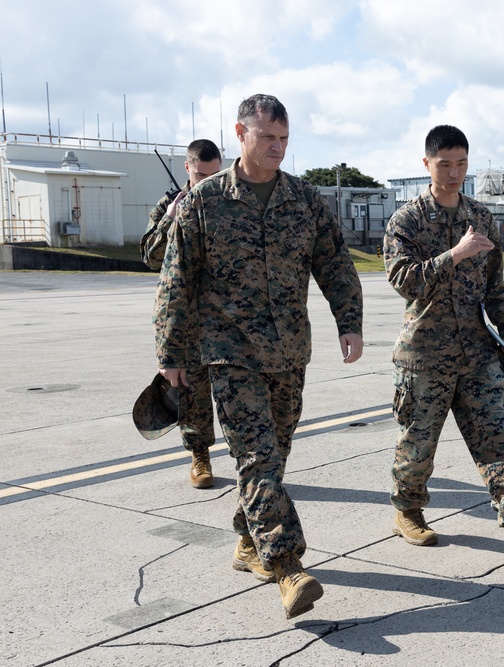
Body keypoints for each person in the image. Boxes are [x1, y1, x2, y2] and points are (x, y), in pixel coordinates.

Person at [154, 94, 364, 619]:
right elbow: (176, 280)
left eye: (285, 139)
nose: (277, 147)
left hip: (290, 350)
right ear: (240, 134)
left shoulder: (306, 200)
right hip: (227, 352)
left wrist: (350, 322)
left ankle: (249, 543)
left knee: (276, 455)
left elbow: (335, 264)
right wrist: (170, 350)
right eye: (268, 137)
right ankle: (287, 565)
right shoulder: (203, 202)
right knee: (257, 457)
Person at [383, 124, 504, 567]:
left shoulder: (481, 217)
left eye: (461, 164)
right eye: (444, 164)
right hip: (425, 355)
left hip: (478, 352)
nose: (454, 173)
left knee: (502, 438)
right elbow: (404, 281)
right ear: (426, 164)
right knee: (418, 445)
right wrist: (456, 254)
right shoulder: (405, 220)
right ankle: (407, 511)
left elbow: (495, 285)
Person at [140, 139, 223, 489]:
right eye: (201, 174)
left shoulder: (228, 201)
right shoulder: (168, 205)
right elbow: (150, 257)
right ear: (187, 168)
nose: (207, 182)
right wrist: (171, 220)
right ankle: (199, 455)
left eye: (214, 174)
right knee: (192, 392)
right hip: (188, 318)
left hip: (226, 313)